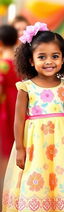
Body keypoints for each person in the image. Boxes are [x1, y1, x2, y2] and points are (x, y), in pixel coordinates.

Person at [2, 22, 64, 212]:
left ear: (63, 59)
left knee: (59, 186)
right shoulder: (26, 87)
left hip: (62, 145)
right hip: (35, 146)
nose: (49, 61)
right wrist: (21, 149)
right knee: (37, 185)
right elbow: (18, 120)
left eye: (55, 56)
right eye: (42, 57)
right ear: (31, 60)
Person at [0, 25, 20, 158]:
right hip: (20, 101)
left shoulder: (2, 64)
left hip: (5, 105)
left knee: (4, 143)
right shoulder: (20, 62)